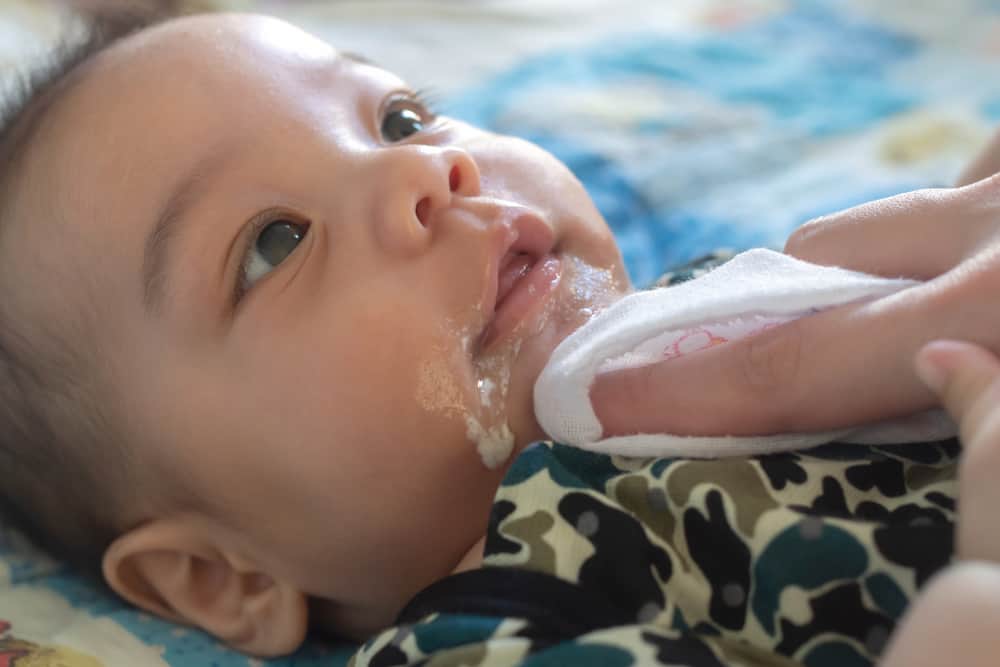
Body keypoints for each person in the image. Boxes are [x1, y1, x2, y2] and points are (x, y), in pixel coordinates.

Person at [0, 10, 998, 664]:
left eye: (397, 119)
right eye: (275, 242)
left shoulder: (714, 300)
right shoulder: (498, 628)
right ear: (223, 574)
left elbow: (949, 266)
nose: (426, 174)